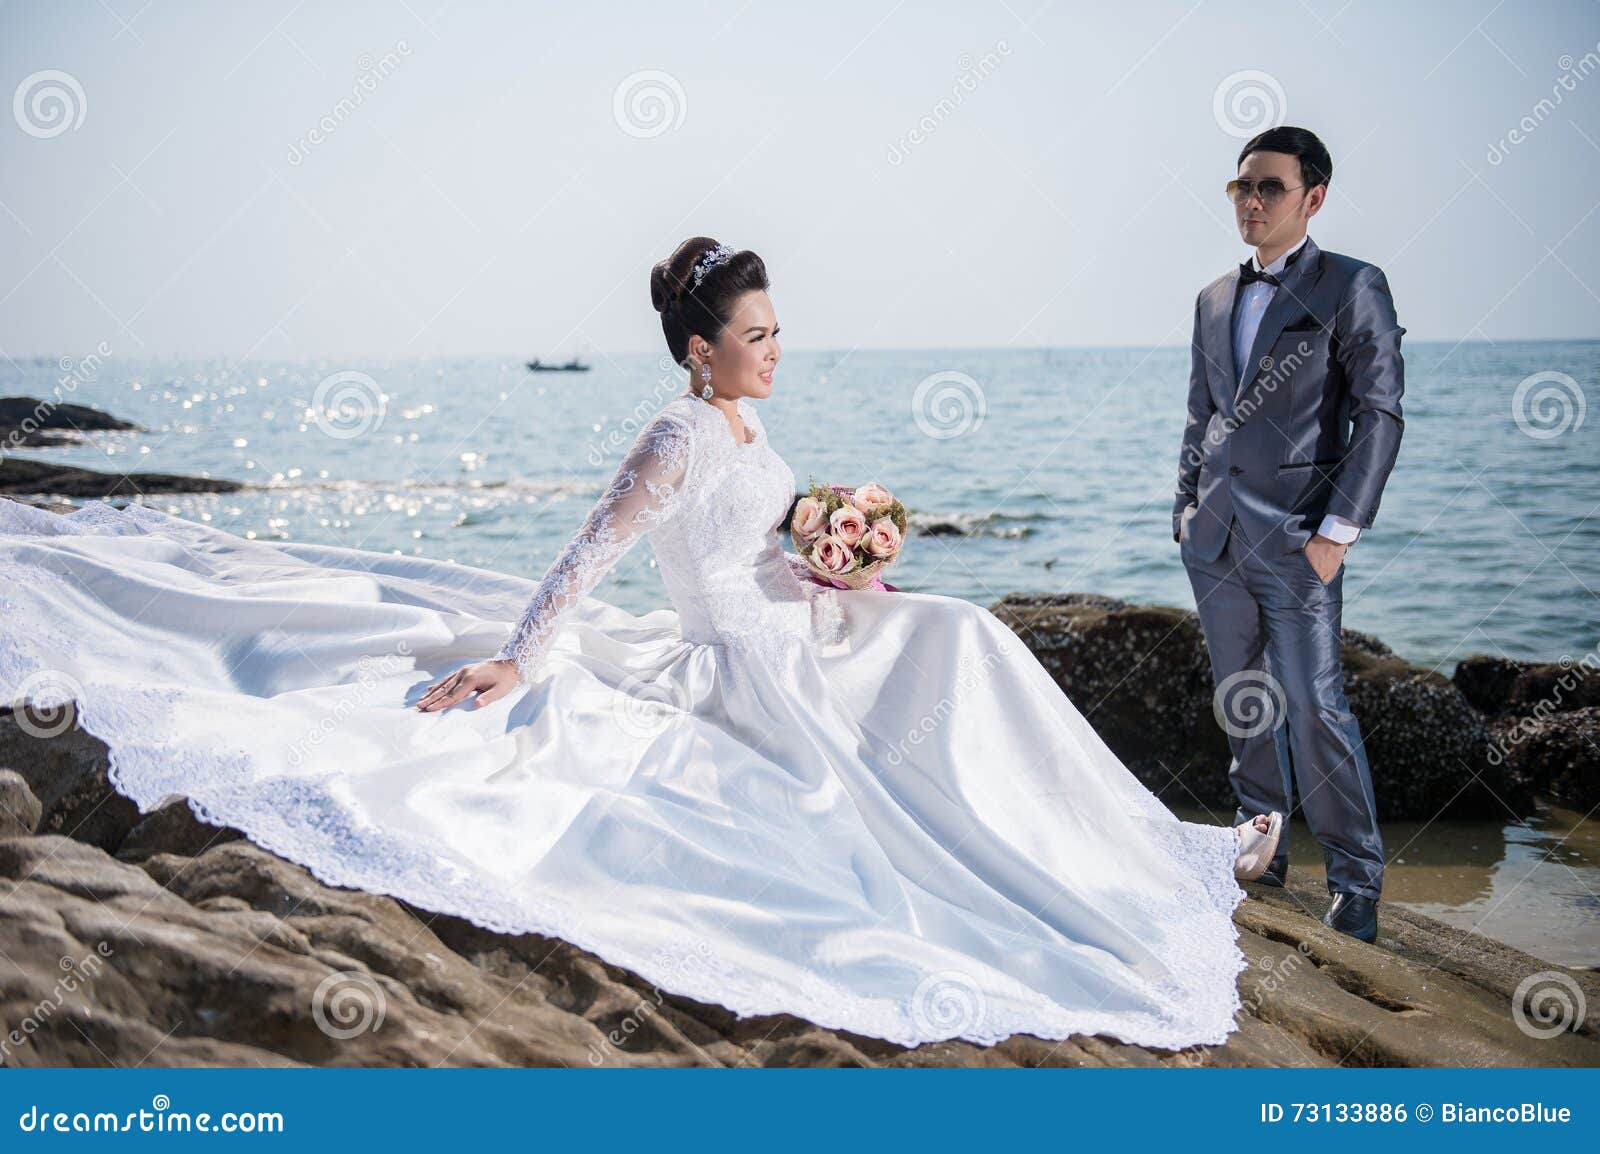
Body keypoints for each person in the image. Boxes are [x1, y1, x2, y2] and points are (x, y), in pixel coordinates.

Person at [0, 237, 1281, 1052]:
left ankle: (1096, 831)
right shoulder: (674, 436)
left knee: (957, 634)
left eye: (779, 329)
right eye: (758, 334)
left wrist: (849, 547)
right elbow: (588, 554)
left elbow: (777, 528)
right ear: (699, 349)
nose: (777, 348)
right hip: (739, 666)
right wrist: (520, 659)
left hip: (806, 621)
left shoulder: (743, 431)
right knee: (897, 747)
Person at [1173, 127, 1405, 943]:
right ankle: (1262, 844)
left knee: (1314, 705)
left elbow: (1380, 414)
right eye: (1241, 186)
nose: (1251, 201)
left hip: (1303, 537)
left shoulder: (1352, 286)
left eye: (1269, 187)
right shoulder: (1210, 298)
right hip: (1216, 538)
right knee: (1244, 697)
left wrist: (1339, 532)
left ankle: (1356, 879)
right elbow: (1203, 416)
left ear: (1314, 197)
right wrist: (1184, 512)